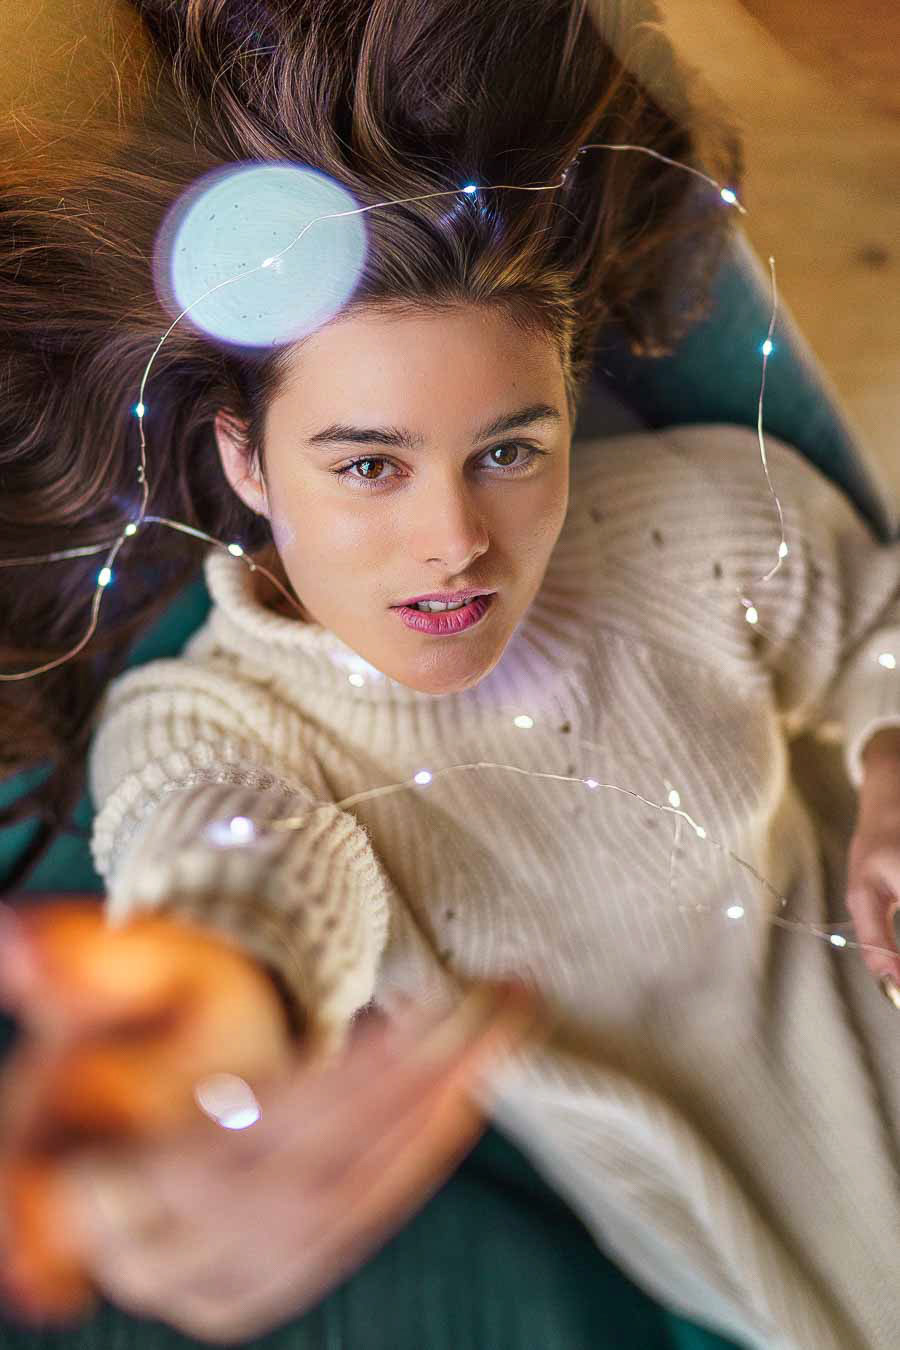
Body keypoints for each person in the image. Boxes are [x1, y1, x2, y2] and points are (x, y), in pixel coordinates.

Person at [1, 1, 899, 1346]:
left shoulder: (698, 521)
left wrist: (890, 754)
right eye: (370, 465)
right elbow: (235, 874)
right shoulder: (219, 730)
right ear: (248, 461)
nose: (456, 542)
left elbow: (877, 624)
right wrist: (214, 1017)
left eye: (508, 451)